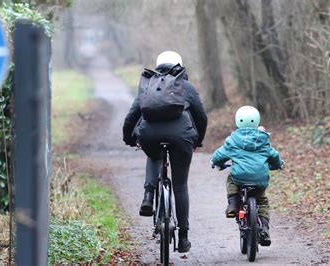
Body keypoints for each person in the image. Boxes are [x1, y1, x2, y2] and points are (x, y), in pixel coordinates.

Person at [122, 51, 207, 253]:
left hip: (150, 135)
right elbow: (201, 116)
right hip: (182, 137)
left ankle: (148, 196)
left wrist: (130, 139)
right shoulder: (186, 86)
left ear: (158, 65)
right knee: (180, 186)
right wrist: (198, 141)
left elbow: (132, 115)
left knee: (153, 155)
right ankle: (184, 238)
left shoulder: (149, 85)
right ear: (179, 66)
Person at [211, 106, 284, 246]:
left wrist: (216, 162)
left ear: (238, 121)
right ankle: (264, 228)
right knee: (262, 201)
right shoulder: (262, 139)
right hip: (259, 178)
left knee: (230, 179)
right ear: (257, 121)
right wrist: (277, 164)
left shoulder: (233, 139)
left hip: (239, 177)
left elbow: (220, 155)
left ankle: (233, 203)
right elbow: (273, 155)